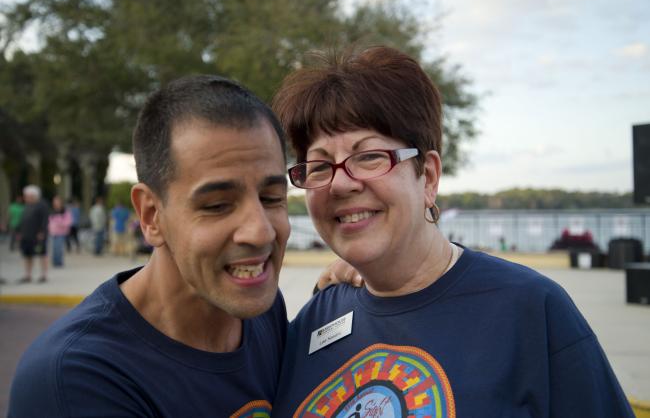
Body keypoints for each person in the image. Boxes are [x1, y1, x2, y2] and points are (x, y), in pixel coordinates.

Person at [271, 46, 634, 417]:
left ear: (427, 176)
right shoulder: (317, 315)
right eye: (318, 166)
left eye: (369, 157)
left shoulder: (529, 310)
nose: (341, 184)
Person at [9, 75, 291, 417]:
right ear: (151, 215)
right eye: (218, 205)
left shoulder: (262, 309)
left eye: (272, 198)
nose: (260, 233)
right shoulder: (77, 379)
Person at [17, 185, 49, 283]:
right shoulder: (26, 206)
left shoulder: (42, 205)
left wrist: (42, 232)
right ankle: (28, 275)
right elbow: (23, 220)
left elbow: (45, 220)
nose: (25, 198)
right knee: (27, 255)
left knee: (42, 254)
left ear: (34, 196)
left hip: (38, 236)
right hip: (27, 235)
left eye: (27, 196)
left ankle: (44, 275)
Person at [48, 195, 72, 267]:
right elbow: (49, 221)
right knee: (53, 248)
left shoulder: (65, 211)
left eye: (57, 202)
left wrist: (59, 222)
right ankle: (55, 262)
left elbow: (68, 222)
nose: (56, 203)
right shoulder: (52, 211)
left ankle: (59, 262)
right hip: (52, 232)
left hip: (61, 232)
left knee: (59, 248)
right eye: (54, 202)